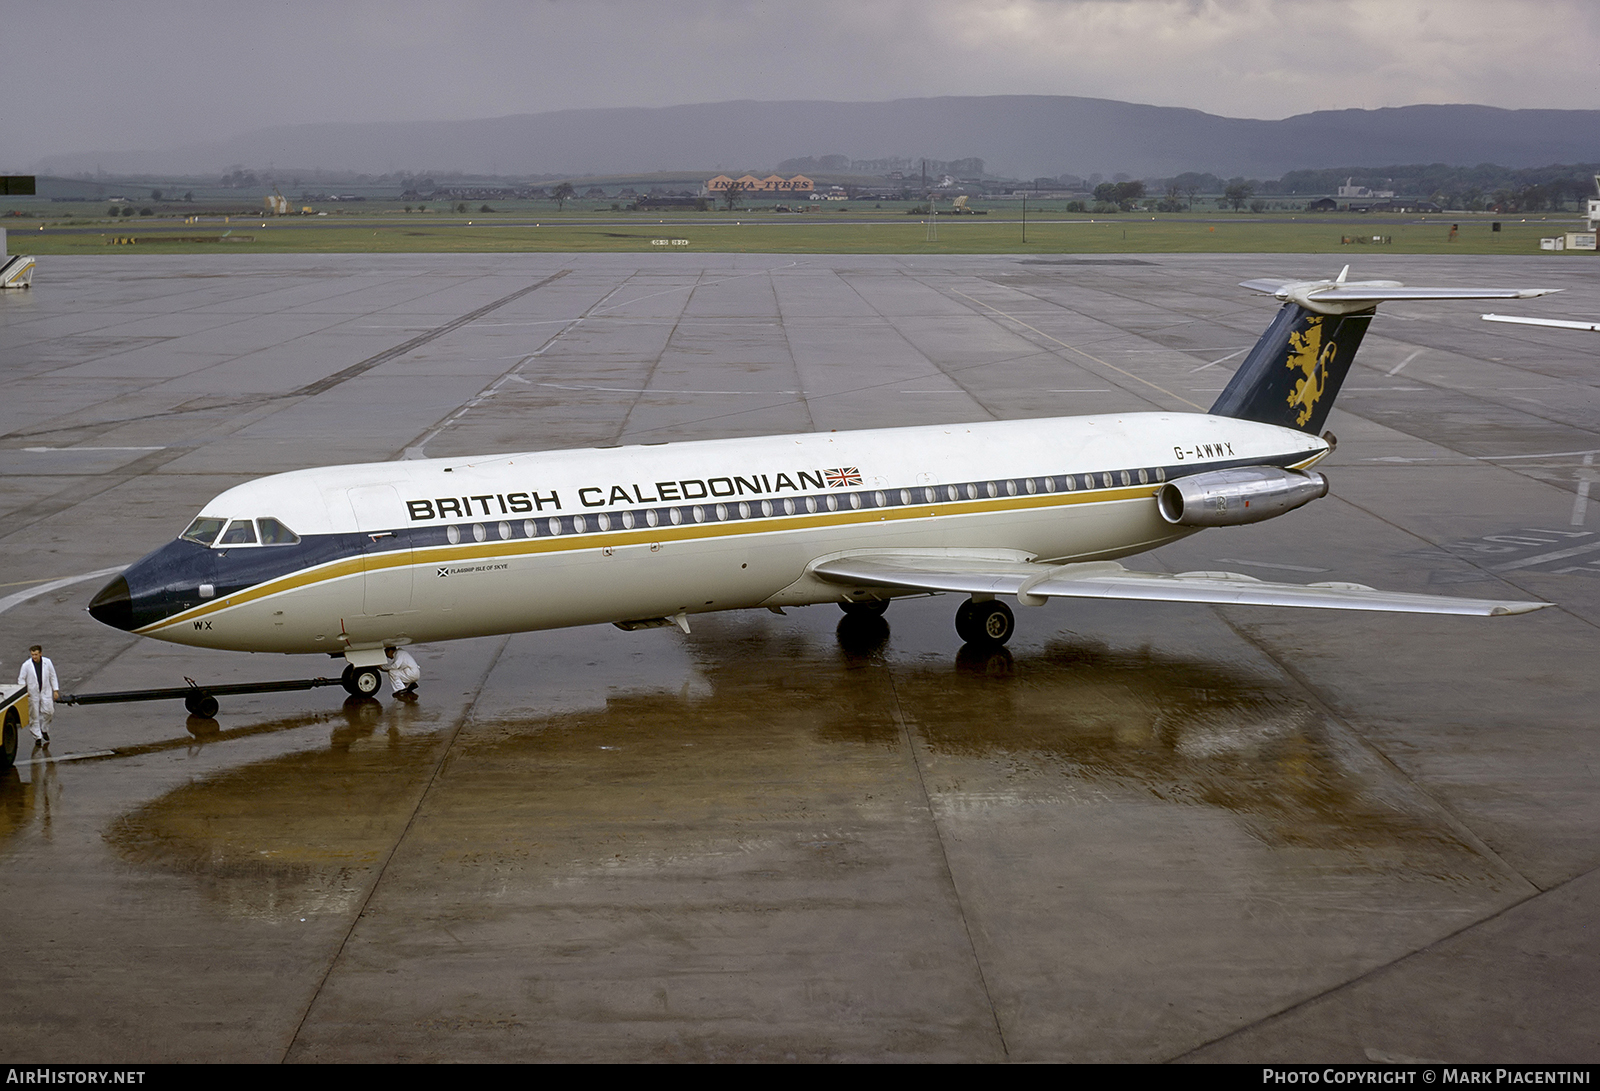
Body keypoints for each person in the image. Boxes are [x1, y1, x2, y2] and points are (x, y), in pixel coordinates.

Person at [18, 645, 59, 744]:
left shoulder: (47, 662)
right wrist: (24, 691)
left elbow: (53, 676)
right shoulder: (26, 665)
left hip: (45, 691)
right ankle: (37, 737)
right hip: (32, 693)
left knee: (49, 711)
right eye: (32, 655)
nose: (34, 657)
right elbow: (21, 679)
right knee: (34, 715)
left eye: (36, 654)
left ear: (40, 653)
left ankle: (44, 728)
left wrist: (55, 690)